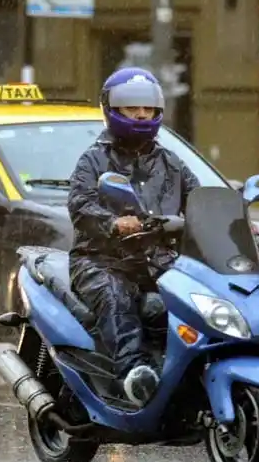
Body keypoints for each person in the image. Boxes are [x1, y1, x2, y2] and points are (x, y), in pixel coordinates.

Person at [67, 67, 200, 406]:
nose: (141, 114)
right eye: (131, 107)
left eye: (148, 108)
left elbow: (199, 198)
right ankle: (134, 375)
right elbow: (80, 205)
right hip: (102, 262)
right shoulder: (94, 160)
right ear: (111, 109)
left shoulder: (171, 163)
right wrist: (113, 223)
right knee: (117, 299)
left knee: (198, 298)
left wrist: (232, 221)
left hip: (159, 261)